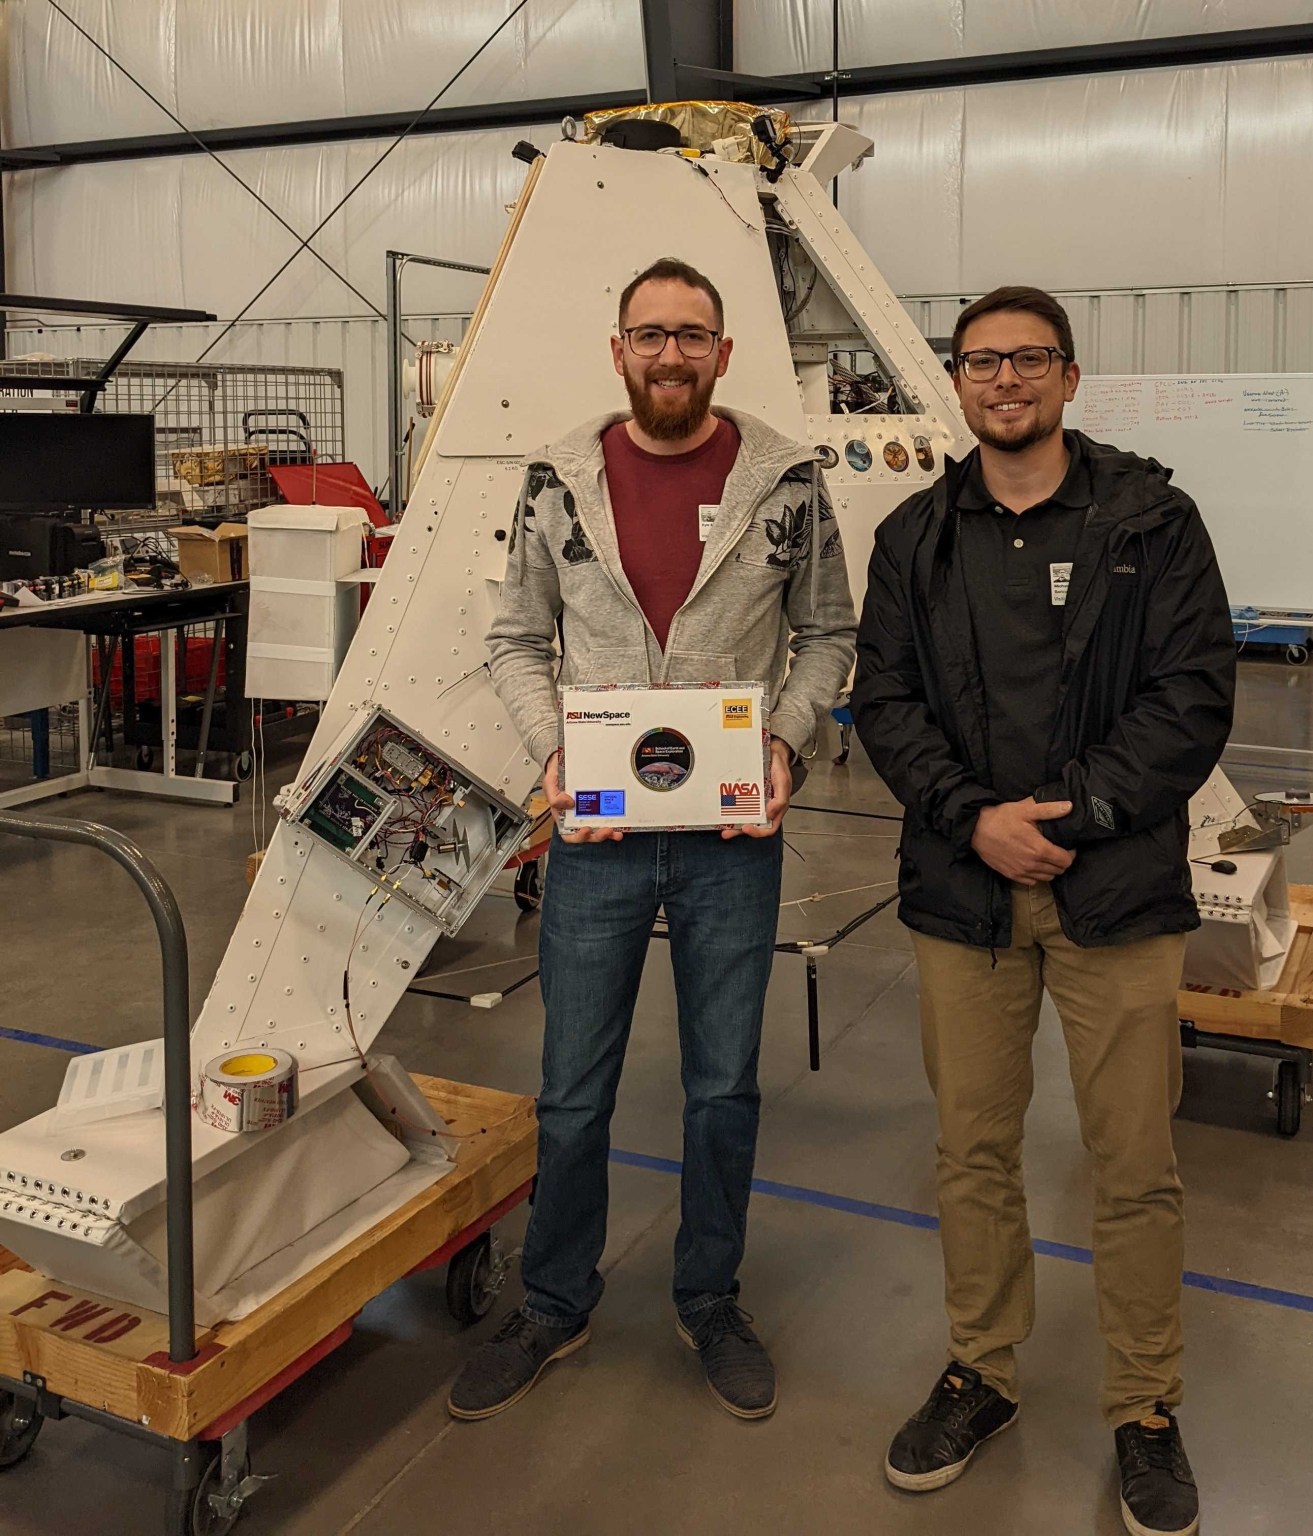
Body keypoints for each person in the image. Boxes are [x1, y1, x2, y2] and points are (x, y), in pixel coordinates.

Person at [850, 286, 1233, 1536]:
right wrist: (973, 819)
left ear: (1067, 378)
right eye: (979, 362)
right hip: (961, 893)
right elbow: (886, 702)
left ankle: (1144, 1403)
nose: (1002, 380)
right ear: (955, 384)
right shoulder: (913, 537)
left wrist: (1065, 821)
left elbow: (1189, 697)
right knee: (970, 1153)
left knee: (1132, 1163)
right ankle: (983, 1372)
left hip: (1113, 892)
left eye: (1026, 360)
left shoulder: (1150, 521)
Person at [449, 256, 856, 1423]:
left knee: (722, 1086)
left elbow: (826, 632)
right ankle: (552, 1302)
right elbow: (517, 637)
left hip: (732, 832)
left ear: (722, 354)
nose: (668, 353)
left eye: (691, 334)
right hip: (601, 835)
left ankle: (708, 1295)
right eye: (648, 333)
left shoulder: (786, 482)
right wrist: (552, 749)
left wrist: (783, 740)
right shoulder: (556, 479)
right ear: (616, 349)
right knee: (571, 1093)